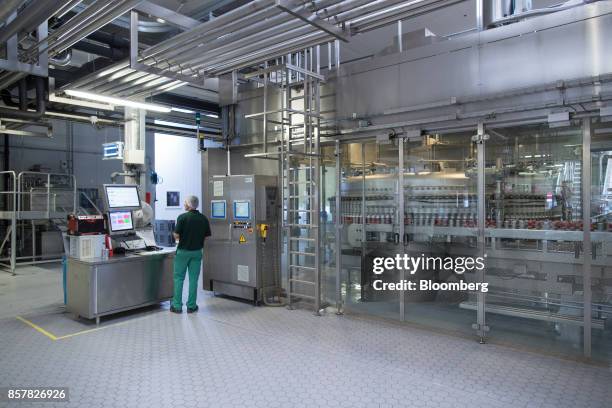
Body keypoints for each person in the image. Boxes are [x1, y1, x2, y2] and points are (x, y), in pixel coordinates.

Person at [171, 195, 211, 313]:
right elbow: (206, 236)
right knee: (194, 280)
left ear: (188, 205)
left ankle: (177, 306)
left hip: (183, 252)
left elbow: (177, 235)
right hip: (197, 252)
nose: (184, 204)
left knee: (179, 278)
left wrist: (175, 235)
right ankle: (192, 306)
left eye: (185, 203)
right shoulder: (203, 218)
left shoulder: (182, 217)